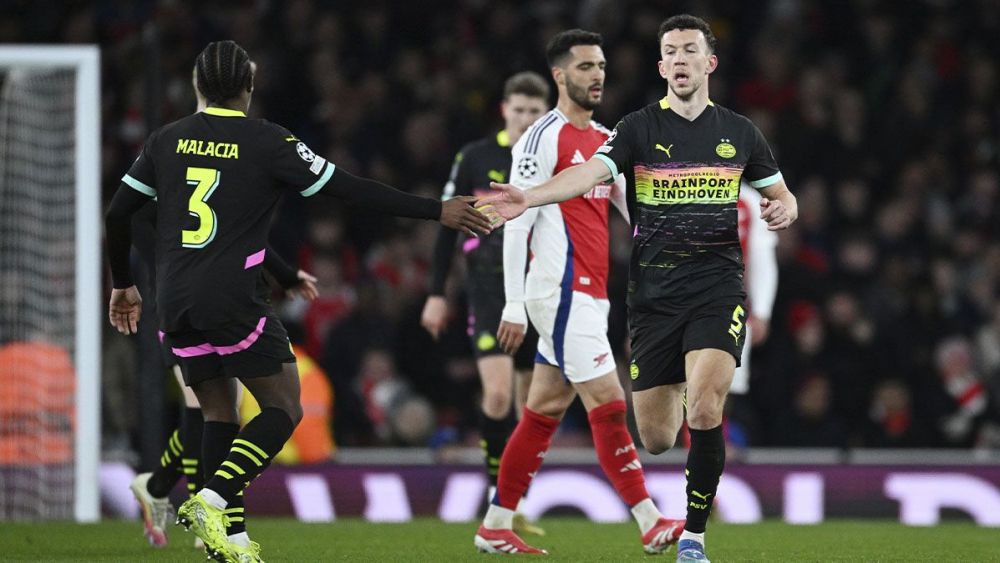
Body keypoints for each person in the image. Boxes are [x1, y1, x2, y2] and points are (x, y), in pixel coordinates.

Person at [105, 40, 492, 563]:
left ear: (199, 85)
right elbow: (349, 188)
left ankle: (228, 541)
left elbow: (118, 215)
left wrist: (123, 284)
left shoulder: (166, 139)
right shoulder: (268, 140)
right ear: (249, 85)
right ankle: (211, 500)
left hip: (173, 300)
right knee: (283, 407)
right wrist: (435, 210)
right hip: (232, 299)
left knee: (219, 413)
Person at [480, 16, 798, 563]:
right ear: (660, 66)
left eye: (689, 50)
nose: (679, 59)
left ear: (709, 63)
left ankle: (685, 534)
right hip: (646, 300)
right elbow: (588, 177)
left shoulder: (740, 132)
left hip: (715, 289)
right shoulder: (632, 130)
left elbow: (781, 193)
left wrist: (786, 207)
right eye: (670, 51)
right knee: (654, 436)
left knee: (699, 406)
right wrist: (529, 198)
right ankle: (499, 521)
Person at [473, 29, 684, 556]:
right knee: (610, 402)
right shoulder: (539, 137)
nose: (597, 76)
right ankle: (650, 520)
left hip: (590, 293)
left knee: (543, 408)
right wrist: (514, 303)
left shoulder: (607, 140)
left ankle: (495, 523)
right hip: (561, 290)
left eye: (602, 66)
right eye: (586, 66)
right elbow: (517, 218)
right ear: (560, 75)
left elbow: (634, 210)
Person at [128, 65, 319, 551]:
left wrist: (285, 273)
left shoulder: (216, 147)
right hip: (179, 297)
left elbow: (234, 231)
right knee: (208, 407)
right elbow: (135, 219)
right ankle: (209, 519)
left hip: (209, 293)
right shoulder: (171, 148)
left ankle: (163, 490)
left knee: (217, 409)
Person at [419, 71, 549, 534]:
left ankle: (515, 503)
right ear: (504, 109)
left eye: (534, 111)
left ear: (545, 115)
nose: (525, 118)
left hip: (538, 288)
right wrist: (437, 293)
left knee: (528, 403)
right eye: (519, 109)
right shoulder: (475, 157)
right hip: (489, 288)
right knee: (496, 394)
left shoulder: (551, 158)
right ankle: (498, 498)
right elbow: (447, 223)